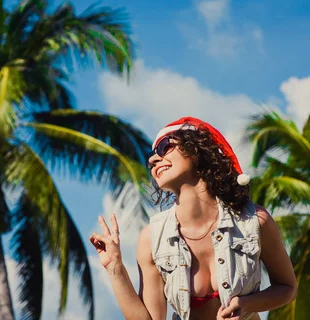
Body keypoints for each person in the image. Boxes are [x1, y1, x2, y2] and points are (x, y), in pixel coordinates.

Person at [90, 117, 297, 320]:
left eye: (165, 147)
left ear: (197, 148)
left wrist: (246, 305)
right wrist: (115, 268)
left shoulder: (253, 221)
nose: (153, 160)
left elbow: (287, 288)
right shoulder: (152, 239)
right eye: (151, 157)